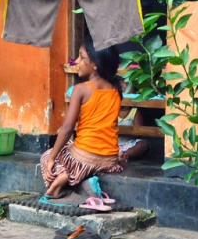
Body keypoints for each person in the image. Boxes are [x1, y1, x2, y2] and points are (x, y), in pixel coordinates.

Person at [41, 37, 124, 198]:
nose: (76, 62)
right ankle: (86, 182)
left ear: (95, 64)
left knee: (47, 155)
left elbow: (67, 129)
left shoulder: (81, 89)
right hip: (109, 160)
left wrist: (52, 157)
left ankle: (62, 176)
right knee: (72, 146)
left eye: (81, 57)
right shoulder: (116, 89)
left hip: (84, 157)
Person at [117, 78, 150, 162]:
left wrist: (126, 131)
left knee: (143, 145)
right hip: (112, 143)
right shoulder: (112, 110)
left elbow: (139, 131)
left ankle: (125, 155)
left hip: (128, 144)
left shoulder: (134, 112)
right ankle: (115, 155)